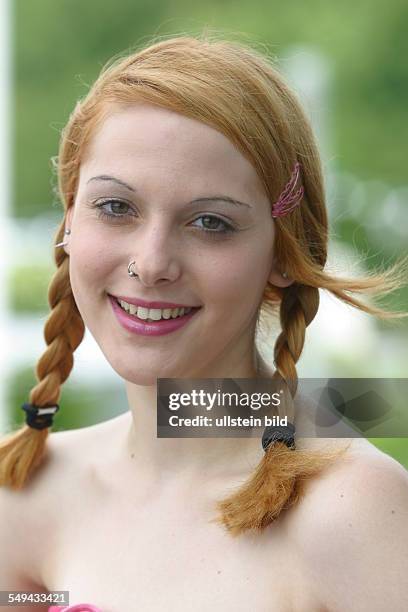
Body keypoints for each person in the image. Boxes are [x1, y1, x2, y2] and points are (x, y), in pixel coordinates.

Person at [1, 32, 408, 612]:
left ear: (284, 255)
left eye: (210, 222)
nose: (152, 263)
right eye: (116, 207)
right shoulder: (26, 494)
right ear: (70, 218)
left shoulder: (355, 512)